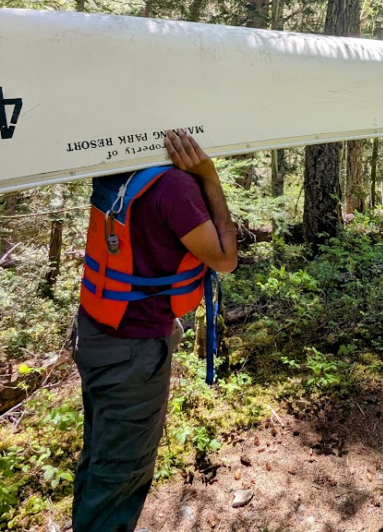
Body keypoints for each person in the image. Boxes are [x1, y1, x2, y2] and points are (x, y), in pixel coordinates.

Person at [72, 129, 237, 532]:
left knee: (99, 460)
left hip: (96, 335)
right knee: (119, 479)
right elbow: (225, 258)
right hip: (133, 353)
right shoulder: (175, 186)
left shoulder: (114, 166)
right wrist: (210, 178)